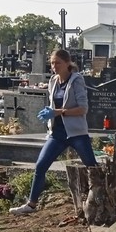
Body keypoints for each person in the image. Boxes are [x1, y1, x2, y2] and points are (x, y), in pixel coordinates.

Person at [10, 49, 97, 214]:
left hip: (76, 132)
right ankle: (31, 204)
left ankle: (103, 199)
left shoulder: (76, 80)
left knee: (92, 167)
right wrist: (50, 112)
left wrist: (58, 112)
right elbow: (53, 105)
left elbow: (83, 109)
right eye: (52, 63)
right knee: (41, 166)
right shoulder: (53, 81)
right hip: (57, 133)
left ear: (67, 63)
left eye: (58, 63)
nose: (54, 66)